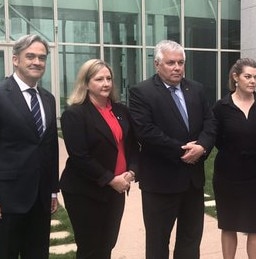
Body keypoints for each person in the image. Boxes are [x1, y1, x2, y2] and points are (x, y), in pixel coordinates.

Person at [129, 40, 216, 259]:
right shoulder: (142, 92)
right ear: (157, 64)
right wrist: (184, 150)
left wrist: (203, 146)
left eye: (180, 62)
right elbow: (146, 132)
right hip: (160, 182)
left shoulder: (196, 89)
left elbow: (210, 123)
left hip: (192, 182)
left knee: (190, 239)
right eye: (170, 63)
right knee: (158, 242)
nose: (177, 67)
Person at [59, 59, 138, 259]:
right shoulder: (74, 114)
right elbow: (79, 156)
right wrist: (111, 179)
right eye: (99, 79)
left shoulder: (121, 111)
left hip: (118, 188)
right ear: (86, 83)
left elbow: (133, 147)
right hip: (85, 191)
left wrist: (131, 172)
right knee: (90, 248)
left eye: (109, 78)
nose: (106, 83)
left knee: (107, 244)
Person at [0, 34, 59, 258]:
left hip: (41, 197)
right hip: (8, 198)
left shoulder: (47, 98)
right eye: (30, 56)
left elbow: (50, 147)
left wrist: (53, 189)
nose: (37, 62)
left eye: (42, 57)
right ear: (15, 60)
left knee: (38, 253)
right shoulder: (1, 94)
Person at [212, 58, 256, 259]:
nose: (253, 81)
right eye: (248, 76)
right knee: (229, 225)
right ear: (235, 77)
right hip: (228, 175)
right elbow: (216, 139)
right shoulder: (221, 107)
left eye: (255, 77)